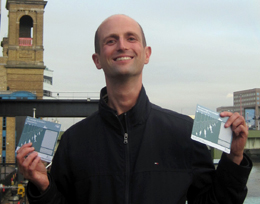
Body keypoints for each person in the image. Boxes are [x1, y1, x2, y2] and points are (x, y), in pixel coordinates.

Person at [16, 14, 252, 204]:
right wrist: (43, 186)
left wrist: (234, 159)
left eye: (131, 38)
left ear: (146, 54)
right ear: (97, 60)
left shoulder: (184, 133)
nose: (121, 46)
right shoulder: (73, 142)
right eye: (111, 40)